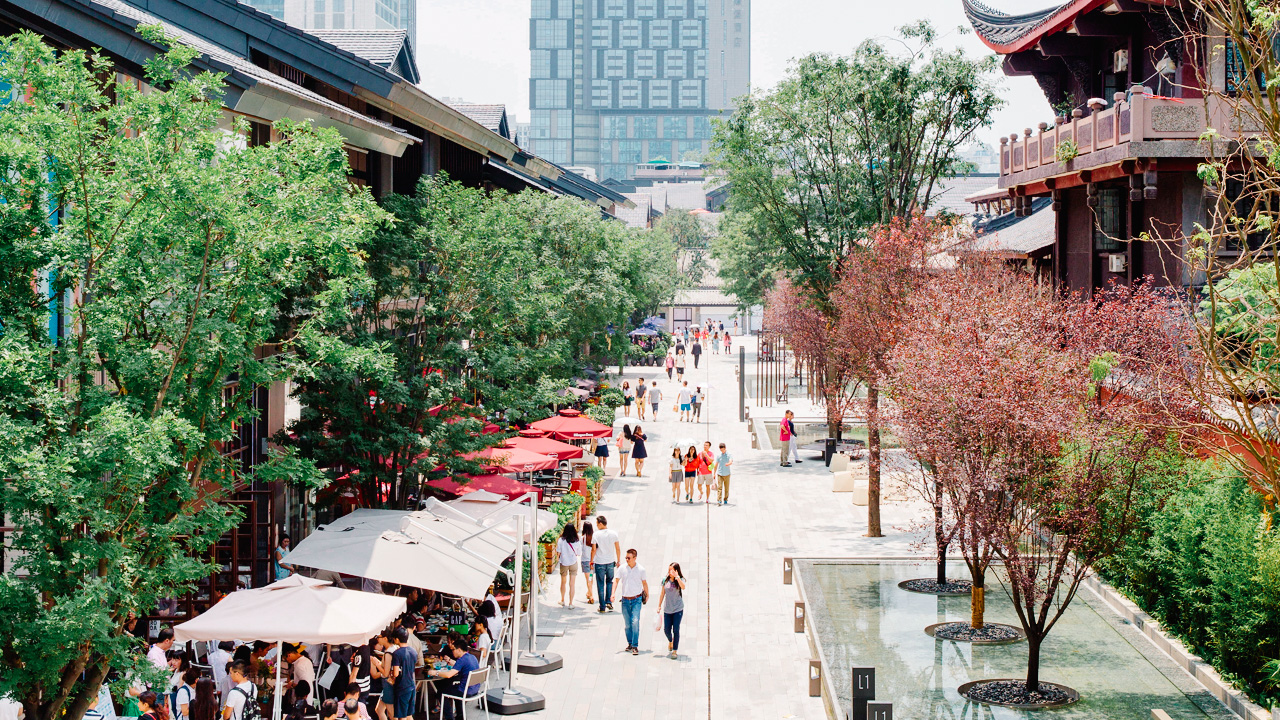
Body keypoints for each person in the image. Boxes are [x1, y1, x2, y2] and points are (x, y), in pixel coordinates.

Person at [425, 634, 482, 720]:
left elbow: (448, 675)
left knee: (441, 692)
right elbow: (462, 666)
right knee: (454, 691)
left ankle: (449, 718)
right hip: (475, 689)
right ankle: (460, 717)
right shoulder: (472, 657)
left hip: (466, 690)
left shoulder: (461, 660)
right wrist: (452, 661)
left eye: (453, 650)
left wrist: (435, 672)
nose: (452, 652)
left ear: (459, 650)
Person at [613, 549, 648, 655]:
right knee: (628, 624)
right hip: (625, 600)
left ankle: (635, 645)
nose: (627, 560)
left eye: (629, 558)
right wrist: (612, 593)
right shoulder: (622, 568)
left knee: (635, 622)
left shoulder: (641, 569)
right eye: (626, 558)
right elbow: (616, 580)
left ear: (635, 558)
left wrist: (647, 594)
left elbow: (644, 583)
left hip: (636, 599)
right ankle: (630, 643)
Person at [590, 515, 621, 612]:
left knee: (600, 584)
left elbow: (594, 550)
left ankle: (602, 606)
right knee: (609, 582)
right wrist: (618, 560)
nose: (596, 526)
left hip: (600, 562)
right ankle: (609, 602)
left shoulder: (596, 534)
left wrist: (591, 560)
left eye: (597, 524)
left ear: (600, 523)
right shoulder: (613, 533)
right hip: (610, 561)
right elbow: (617, 548)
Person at [656, 562, 687, 659]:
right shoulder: (665, 580)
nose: (670, 572)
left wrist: (677, 577)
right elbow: (662, 593)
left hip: (678, 609)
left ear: (676, 570)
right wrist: (659, 606)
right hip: (667, 610)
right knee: (666, 630)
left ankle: (675, 651)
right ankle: (670, 640)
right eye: (669, 570)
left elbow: (683, 587)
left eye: (672, 570)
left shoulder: (680, 579)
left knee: (676, 629)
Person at [388, 628, 418, 720]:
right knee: (409, 715)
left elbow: (396, 673)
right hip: (412, 685)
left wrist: (391, 675)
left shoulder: (397, 654)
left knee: (402, 716)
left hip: (402, 687)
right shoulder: (413, 651)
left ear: (397, 639)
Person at [553, 523, 582, 607]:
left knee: (563, 582)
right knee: (572, 584)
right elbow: (579, 553)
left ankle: (562, 600)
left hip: (564, 563)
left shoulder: (561, 540)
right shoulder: (577, 541)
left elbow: (558, 552)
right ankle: (571, 603)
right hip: (573, 563)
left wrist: (557, 559)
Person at [369, 633, 394, 720]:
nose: (380, 646)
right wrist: (383, 668)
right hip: (380, 685)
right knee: (379, 710)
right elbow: (375, 675)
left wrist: (380, 666)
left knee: (391, 714)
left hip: (386, 684)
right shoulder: (373, 657)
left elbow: (385, 672)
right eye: (378, 644)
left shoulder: (387, 653)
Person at [579, 521, 596, 606]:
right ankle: (589, 592)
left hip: (585, 561)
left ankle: (591, 595)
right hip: (593, 561)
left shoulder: (582, 538)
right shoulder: (594, 537)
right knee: (590, 577)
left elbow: (579, 549)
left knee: (588, 579)